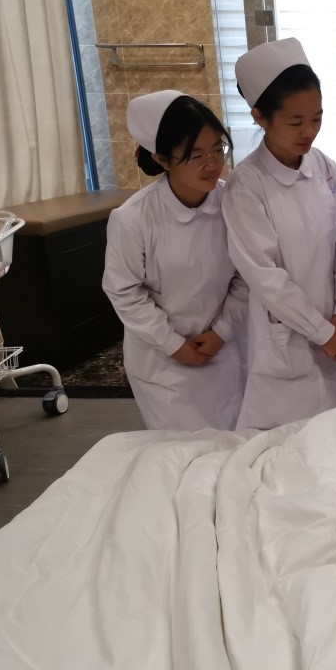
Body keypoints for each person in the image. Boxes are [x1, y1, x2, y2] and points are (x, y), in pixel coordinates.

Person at [222, 38, 336, 429]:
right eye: (295, 121)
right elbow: (265, 277)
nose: (309, 131)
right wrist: (321, 331)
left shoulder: (323, 166)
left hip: (335, 330)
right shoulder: (246, 185)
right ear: (260, 117)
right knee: (286, 443)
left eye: (317, 118)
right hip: (286, 337)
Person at [103, 91, 246, 431]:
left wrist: (222, 332)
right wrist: (173, 344)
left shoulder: (235, 204)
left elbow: (247, 276)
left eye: (218, 149)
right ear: (163, 159)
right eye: (196, 156)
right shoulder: (133, 219)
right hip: (162, 362)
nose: (212, 164)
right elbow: (124, 292)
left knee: (233, 443)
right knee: (182, 449)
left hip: (223, 349)